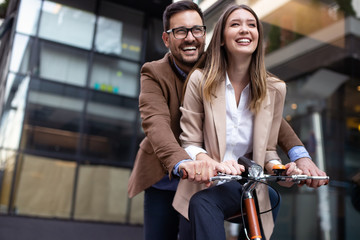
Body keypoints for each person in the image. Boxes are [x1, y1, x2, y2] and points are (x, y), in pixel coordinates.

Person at [127, 1, 327, 240]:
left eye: (196, 30)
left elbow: (266, 115)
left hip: (211, 179)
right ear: (166, 39)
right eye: (180, 31)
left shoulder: (218, 66)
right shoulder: (154, 72)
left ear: (205, 33)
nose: (190, 37)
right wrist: (188, 162)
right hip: (168, 172)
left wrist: (299, 156)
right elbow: (155, 123)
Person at [172, 4, 310, 240]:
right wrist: (212, 163)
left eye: (252, 25)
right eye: (235, 24)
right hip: (203, 184)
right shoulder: (200, 80)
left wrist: (283, 170)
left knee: (204, 203)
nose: (245, 30)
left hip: (244, 186)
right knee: (198, 206)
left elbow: (267, 149)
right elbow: (190, 141)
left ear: (258, 37)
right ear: (222, 39)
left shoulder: (275, 90)